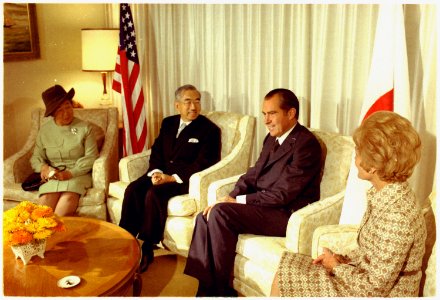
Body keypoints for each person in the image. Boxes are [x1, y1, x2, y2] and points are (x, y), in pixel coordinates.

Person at [183, 88, 323, 296]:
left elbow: (282, 195)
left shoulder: (306, 144)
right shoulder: (271, 139)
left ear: (291, 113)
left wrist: (237, 202)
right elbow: (252, 173)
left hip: (285, 213)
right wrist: (230, 196)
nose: (266, 120)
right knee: (205, 215)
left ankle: (218, 291)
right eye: (264, 114)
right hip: (263, 205)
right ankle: (206, 288)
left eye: (272, 113)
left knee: (221, 213)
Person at [271, 111, 426, 297]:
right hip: (363, 279)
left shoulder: (397, 216)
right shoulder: (387, 194)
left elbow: (374, 288)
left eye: (359, 151)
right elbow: (370, 255)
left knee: (286, 277)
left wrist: (336, 267)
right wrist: (342, 259)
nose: (355, 157)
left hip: (383, 294)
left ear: (375, 163)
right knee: (288, 267)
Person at [119, 84, 221, 273]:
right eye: (188, 101)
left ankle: (148, 246)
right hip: (161, 173)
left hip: (183, 180)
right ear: (177, 105)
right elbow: (157, 151)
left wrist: (171, 178)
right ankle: (125, 238)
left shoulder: (209, 130)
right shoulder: (168, 123)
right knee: (132, 189)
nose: (193, 107)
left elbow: (205, 163)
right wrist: (156, 172)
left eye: (197, 101)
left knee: (153, 194)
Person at [30, 85, 99, 216]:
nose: (66, 113)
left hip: (77, 175)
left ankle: (58, 236)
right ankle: (39, 236)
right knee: (43, 207)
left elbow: (91, 157)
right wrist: (43, 168)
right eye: (60, 110)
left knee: (64, 205)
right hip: (54, 177)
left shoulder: (85, 128)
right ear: (53, 113)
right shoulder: (44, 131)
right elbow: (36, 157)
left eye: (68, 106)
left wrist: (70, 173)